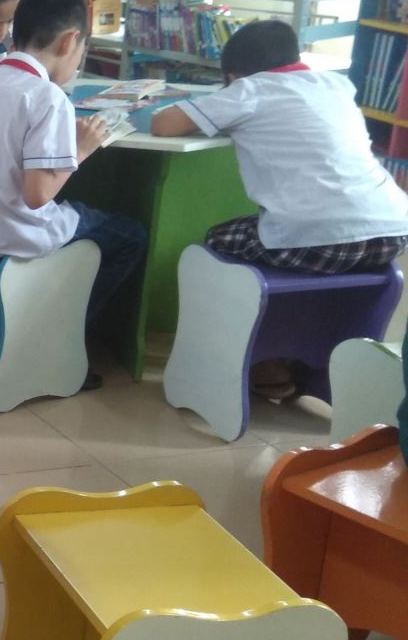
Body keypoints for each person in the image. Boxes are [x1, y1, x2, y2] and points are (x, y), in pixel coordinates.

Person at [151, 19, 408, 394]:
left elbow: (164, 124)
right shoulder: (336, 85)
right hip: (391, 232)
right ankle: (306, 360)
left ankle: (264, 363)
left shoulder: (249, 90)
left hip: (319, 239)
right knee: (292, 248)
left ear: (235, 75)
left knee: (217, 241)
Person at [0, 0, 147, 362]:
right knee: (130, 236)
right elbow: (38, 195)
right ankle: (59, 337)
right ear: (69, 41)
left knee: (78, 212)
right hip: (7, 233)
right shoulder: (48, 98)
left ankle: (8, 327)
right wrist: (81, 149)